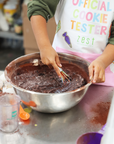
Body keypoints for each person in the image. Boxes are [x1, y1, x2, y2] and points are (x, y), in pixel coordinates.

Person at [27, 0, 114, 86]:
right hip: (60, 67)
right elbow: (39, 5)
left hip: (102, 74)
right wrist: (44, 46)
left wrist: (102, 62)